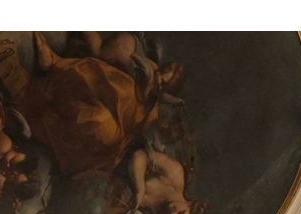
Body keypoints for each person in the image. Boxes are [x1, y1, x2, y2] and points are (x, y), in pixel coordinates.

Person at [13, 32, 183, 177]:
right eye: (161, 77)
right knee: (113, 88)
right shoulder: (141, 64)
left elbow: (131, 135)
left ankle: (36, 119)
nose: (159, 83)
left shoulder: (153, 112)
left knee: (101, 127)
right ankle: (54, 62)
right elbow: (101, 55)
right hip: (100, 98)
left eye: (163, 87)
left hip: (111, 141)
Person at [120, 147, 208, 214]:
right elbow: (140, 155)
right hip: (121, 157)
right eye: (180, 213)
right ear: (189, 203)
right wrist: (140, 190)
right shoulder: (175, 174)